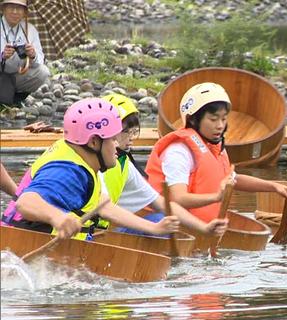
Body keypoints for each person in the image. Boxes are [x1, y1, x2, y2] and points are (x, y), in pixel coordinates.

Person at [1, 98, 179, 241]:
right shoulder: (69, 171)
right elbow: (26, 202)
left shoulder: (80, 160)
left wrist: (154, 228)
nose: (116, 146)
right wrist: (58, 218)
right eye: (112, 140)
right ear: (94, 142)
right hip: (22, 249)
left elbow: (104, 206)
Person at [145, 82, 287, 223]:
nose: (220, 126)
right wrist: (216, 197)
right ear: (193, 120)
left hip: (203, 229)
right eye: (213, 119)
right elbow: (178, 198)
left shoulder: (214, 148)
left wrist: (275, 187)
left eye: (224, 119)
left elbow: (232, 179)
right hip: (169, 225)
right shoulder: (179, 151)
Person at [100, 93, 227, 236]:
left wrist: (204, 228)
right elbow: (105, 209)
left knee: (160, 218)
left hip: (99, 232)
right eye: (126, 132)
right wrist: (154, 228)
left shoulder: (124, 165)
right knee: (156, 220)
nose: (131, 138)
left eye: (134, 131)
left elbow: (162, 203)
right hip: (85, 236)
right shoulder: (92, 165)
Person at [0, 0, 50, 104]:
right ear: (3, 9)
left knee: (43, 72)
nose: (15, 11)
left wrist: (33, 55)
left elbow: (40, 60)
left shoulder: (30, 29)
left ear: (25, 12)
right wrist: (2, 56)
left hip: (17, 76)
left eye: (19, 8)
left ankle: (16, 98)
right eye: (11, 7)